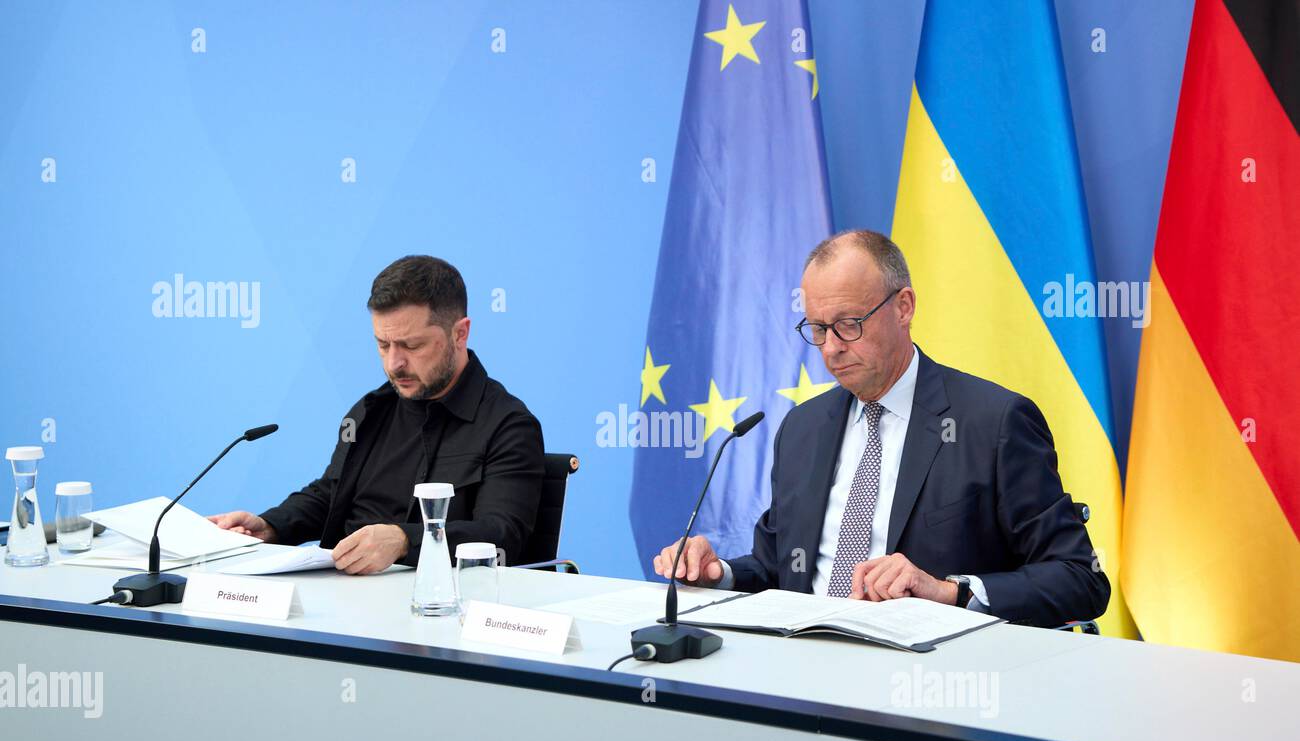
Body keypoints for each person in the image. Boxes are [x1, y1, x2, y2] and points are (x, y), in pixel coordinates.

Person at [652, 230, 1109, 627]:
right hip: (802, 673)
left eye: (848, 325)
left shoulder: (994, 423)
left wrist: (950, 592)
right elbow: (780, 570)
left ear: (904, 307)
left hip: (931, 686)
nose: (830, 348)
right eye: (817, 328)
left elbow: (1079, 578)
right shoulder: (803, 428)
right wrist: (721, 575)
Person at [210, 255, 544, 575]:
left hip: (439, 608)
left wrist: (403, 541)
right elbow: (330, 493)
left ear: (460, 333)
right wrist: (270, 525)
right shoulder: (370, 411)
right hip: (340, 601)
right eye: (383, 345)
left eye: (411, 346)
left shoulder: (508, 426)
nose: (393, 364)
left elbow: (501, 538)